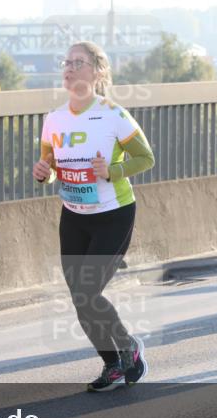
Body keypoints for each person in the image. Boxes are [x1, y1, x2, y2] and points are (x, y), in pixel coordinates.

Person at [32, 41, 155, 392]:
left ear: (97, 72)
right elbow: (51, 167)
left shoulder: (113, 114)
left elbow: (146, 159)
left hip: (113, 214)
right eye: (66, 62)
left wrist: (112, 170)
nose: (69, 69)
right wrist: (44, 172)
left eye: (79, 63)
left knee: (88, 290)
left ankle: (128, 346)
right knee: (79, 297)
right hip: (73, 215)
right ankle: (112, 364)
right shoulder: (53, 119)